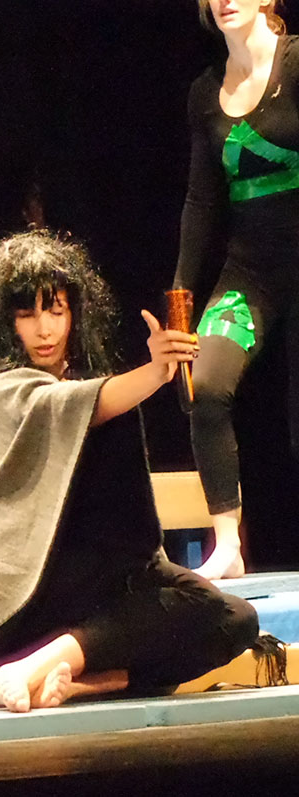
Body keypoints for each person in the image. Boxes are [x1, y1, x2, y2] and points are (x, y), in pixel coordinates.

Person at [0, 231, 259, 713]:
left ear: (75, 314)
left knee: (233, 618)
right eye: (28, 315)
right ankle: (25, 669)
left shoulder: (79, 381)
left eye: (56, 311)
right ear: (5, 322)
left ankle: (77, 684)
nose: (44, 329)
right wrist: (157, 371)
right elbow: (84, 403)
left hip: (93, 583)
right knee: (181, 609)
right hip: (24, 598)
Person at [175, 0, 295, 580]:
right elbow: (202, 200)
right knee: (202, 385)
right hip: (251, 273)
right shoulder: (205, 93)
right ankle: (228, 545)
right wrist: (181, 295)